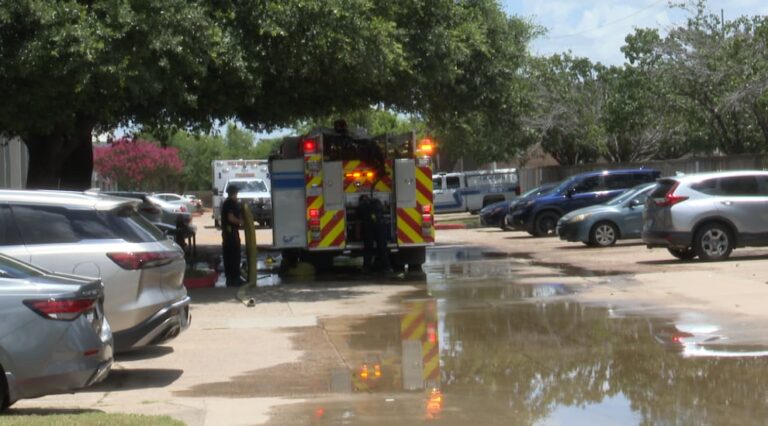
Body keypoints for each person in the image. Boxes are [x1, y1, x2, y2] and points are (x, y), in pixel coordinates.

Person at [358, 194, 392, 273]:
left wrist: (358, 234)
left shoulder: (361, 206)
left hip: (369, 228)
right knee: (382, 248)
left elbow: (358, 221)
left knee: (368, 249)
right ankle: (387, 267)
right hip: (380, 227)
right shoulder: (376, 202)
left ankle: (366, 268)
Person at [221, 185, 244, 286]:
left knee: (229, 255)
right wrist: (241, 222)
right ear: (234, 193)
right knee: (234, 255)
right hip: (231, 233)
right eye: (236, 193)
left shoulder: (226, 203)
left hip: (227, 233)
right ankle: (235, 278)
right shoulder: (231, 203)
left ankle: (230, 278)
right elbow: (230, 218)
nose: (237, 196)